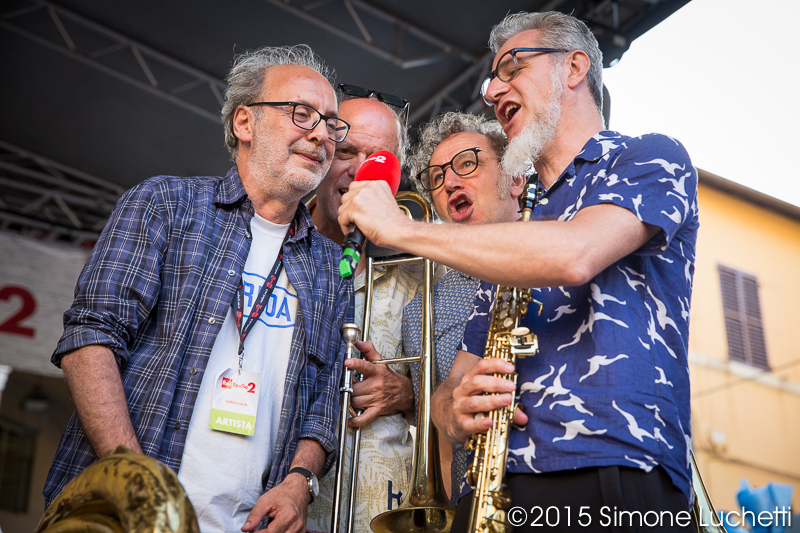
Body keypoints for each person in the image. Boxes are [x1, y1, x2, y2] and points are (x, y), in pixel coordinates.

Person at [338, 11, 698, 532]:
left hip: (613, 468)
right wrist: (451, 406)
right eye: (491, 78)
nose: (492, 89)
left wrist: (402, 230)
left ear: (575, 67)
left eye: (512, 67)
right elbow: (453, 382)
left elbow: (576, 254)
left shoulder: (646, 157)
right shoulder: (519, 228)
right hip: (491, 494)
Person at [43, 45, 353, 533]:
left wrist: (299, 480)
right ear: (245, 123)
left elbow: (327, 399)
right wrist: (137, 488)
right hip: (118, 515)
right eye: (301, 113)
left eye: (332, 124)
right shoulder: (167, 205)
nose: (321, 134)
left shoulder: (332, 267)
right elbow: (91, 339)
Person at [304, 85, 420, 533]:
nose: (361, 171)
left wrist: (406, 394)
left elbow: (452, 398)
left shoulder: (417, 275)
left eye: (380, 159)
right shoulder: (268, 251)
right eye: (347, 151)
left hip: (377, 513)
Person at [400, 111, 522, 505]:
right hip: (479, 503)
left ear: (516, 177)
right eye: (436, 178)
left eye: (467, 163)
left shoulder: (568, 238)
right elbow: (441, 442)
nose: (450, 181)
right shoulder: (420, 311)